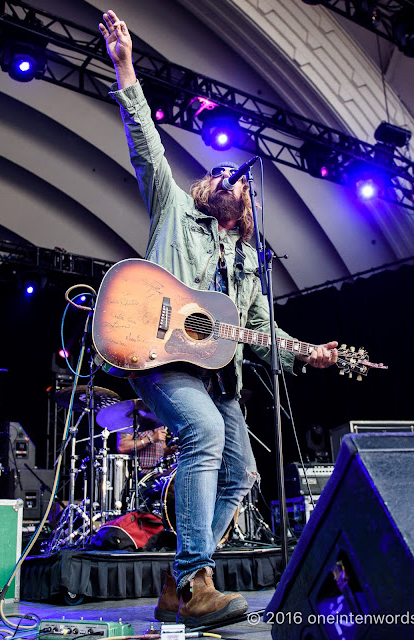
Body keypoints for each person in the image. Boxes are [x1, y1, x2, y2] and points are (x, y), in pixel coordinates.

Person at [99, 9, 339, 628]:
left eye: (234, 179)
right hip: (157, 354)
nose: (225, 176)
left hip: (215, 375)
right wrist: (125, 65)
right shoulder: (176, 209)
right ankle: (198, 582)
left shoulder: (249, 265)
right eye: (218, 173)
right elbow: (145, 145)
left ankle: (175, 590)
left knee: (243, 474)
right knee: (203, 436)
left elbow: (263, 336)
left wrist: (304, 352)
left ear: (246, 207)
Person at [116, 400, 177, 472]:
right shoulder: (130, 421)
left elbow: (162, 447)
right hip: (140, 475)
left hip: (158, 473)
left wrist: (171, 451)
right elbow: (122, 447)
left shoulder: (159, 423)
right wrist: (151, 439)